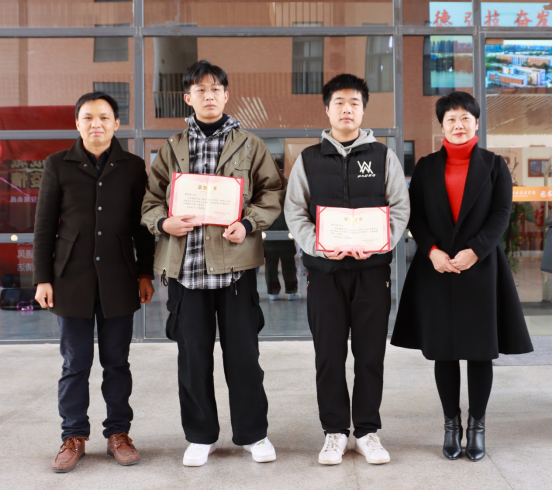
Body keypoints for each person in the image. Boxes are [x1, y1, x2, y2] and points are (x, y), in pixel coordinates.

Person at [141, 60, 286, 467]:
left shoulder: (250, 145)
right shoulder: (171, 149)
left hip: (235, 272)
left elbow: (271, 193)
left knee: (244, 359)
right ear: (187, 98)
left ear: (226, 95)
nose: (209, 96)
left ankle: (253, 434)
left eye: (215, 89)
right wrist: (163, 222)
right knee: (192, 361)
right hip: (186, 273)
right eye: (200, 90)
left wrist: (248, 223)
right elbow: (150, 201)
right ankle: (200, 437)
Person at [391, 91, 534, 462]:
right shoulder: (426, 167)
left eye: (465, 118)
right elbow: (416, 215)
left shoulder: (495, 165)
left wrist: (475, 250)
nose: (458, 125)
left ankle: (477, 426)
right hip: (437, 270)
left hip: (480, 269)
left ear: (476, 123)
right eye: (451, 119)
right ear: (442, 125)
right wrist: (432, 251)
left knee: (480, 352)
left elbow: (501, 213)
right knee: (444, 351)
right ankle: (451, 424)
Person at [285, 74, 410, 466]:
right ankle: (335, 432)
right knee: (329, 356)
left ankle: (367, 431)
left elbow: (399, 207)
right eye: (339, 102)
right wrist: (320, 245)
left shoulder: (383, 157)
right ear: (327, 109)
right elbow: (295, 211)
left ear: (363, 109)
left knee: (370, 355)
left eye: (354, 102)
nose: (346, 109)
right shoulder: (308, 159)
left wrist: (379, 243)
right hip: (324, 275)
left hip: (372, 273)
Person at [33, 92, 156, 473]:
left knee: (117, 363)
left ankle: (119, 433)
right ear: (77, 123)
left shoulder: (133, 167)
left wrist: (145, 272)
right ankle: (73, 436)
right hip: (70, 280)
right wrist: (42, 279)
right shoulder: (58, 164)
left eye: (104, 117)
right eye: (87, 117)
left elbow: (142, 228)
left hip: (119, 279)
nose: (96, 124)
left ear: (117, 123)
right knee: (75, 364)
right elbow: (44, 226)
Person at [264, 210, 301, 301]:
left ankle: (273, 292)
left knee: (271, 265)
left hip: (269, 232)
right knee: (288, 264)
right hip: (286, 231)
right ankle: (291, 291)